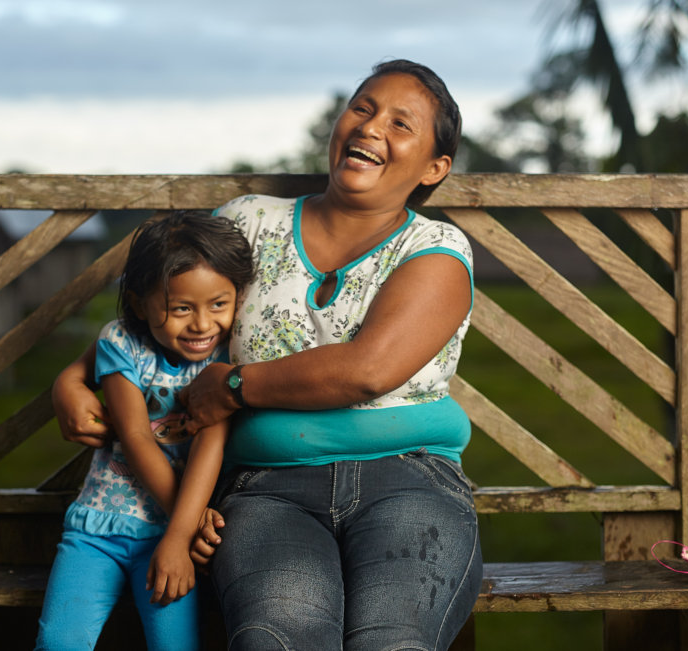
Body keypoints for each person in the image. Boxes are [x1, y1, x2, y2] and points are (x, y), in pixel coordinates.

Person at [54, 59, 481, 651]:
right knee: (275, 641)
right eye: (362, 108)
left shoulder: (435, 249)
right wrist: (73, 379)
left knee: (392, 642)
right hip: (267, 489)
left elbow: (367, 372)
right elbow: (163, 314)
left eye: (400, 123)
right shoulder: (251, 221)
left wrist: (233, 387)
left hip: (409, 479)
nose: (370, 127)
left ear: (435, 167)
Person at [36, 210, 254, 651]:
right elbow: (135, 438)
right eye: (180, 309)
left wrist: (177, 537)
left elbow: (210, 445)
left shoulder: (225, 362)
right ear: (139, 304)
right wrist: (187, 525)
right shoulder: (121, 344)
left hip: (173, 534)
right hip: (98, 531)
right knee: (60, 641)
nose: (201, 324)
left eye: (218, 304)